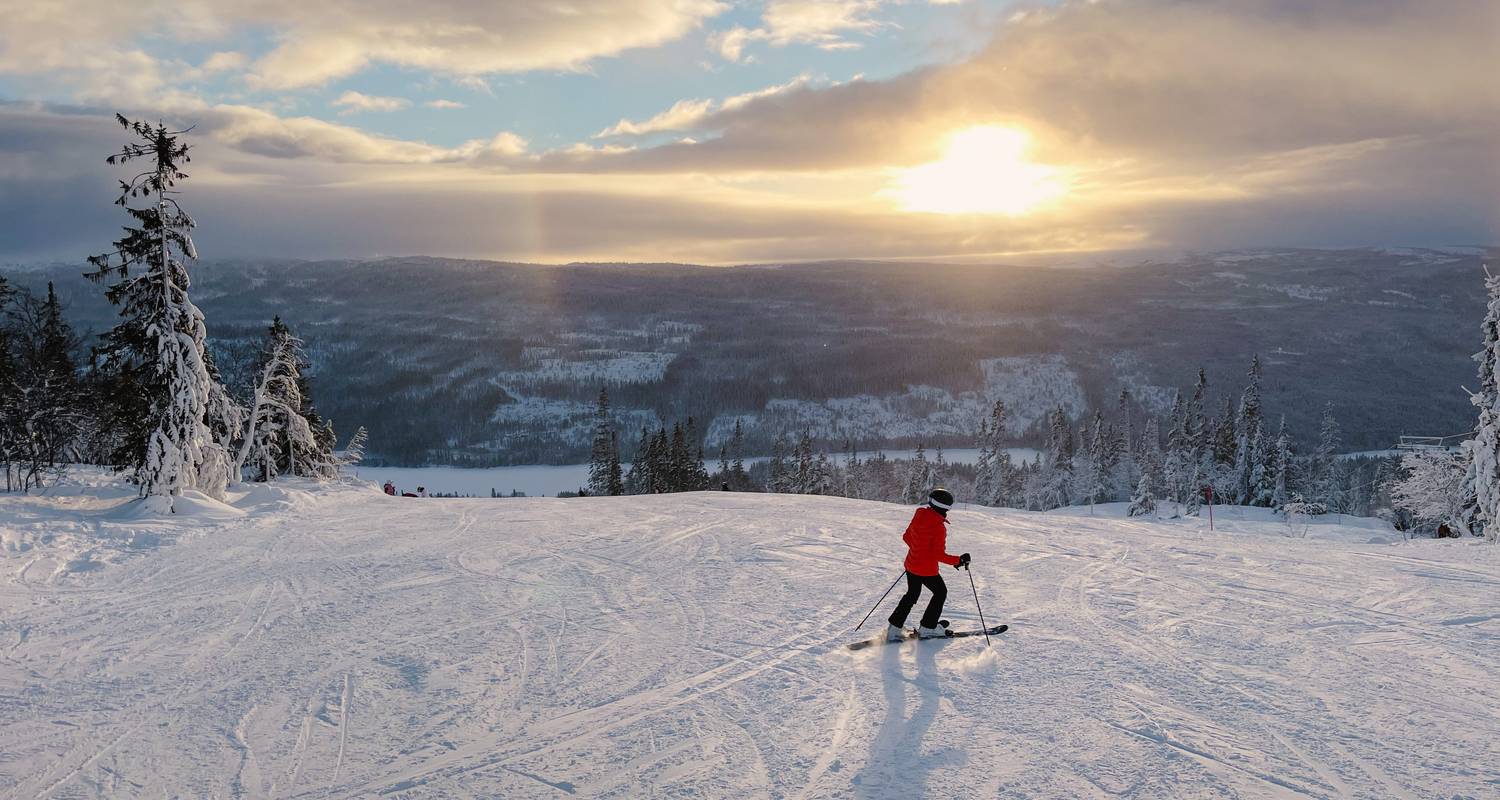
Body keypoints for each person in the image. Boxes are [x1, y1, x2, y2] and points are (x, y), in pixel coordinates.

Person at [887, 487, 971, 640]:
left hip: (911, 564)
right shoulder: (938, 527)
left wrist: (918, 551)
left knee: (912, 594)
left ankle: (894, 629)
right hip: (926, 570)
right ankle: (928, 627)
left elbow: (906, 537)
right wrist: (959, 560)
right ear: (946, 507)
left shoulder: (919, 515)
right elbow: (938, 555)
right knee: (940, 593)